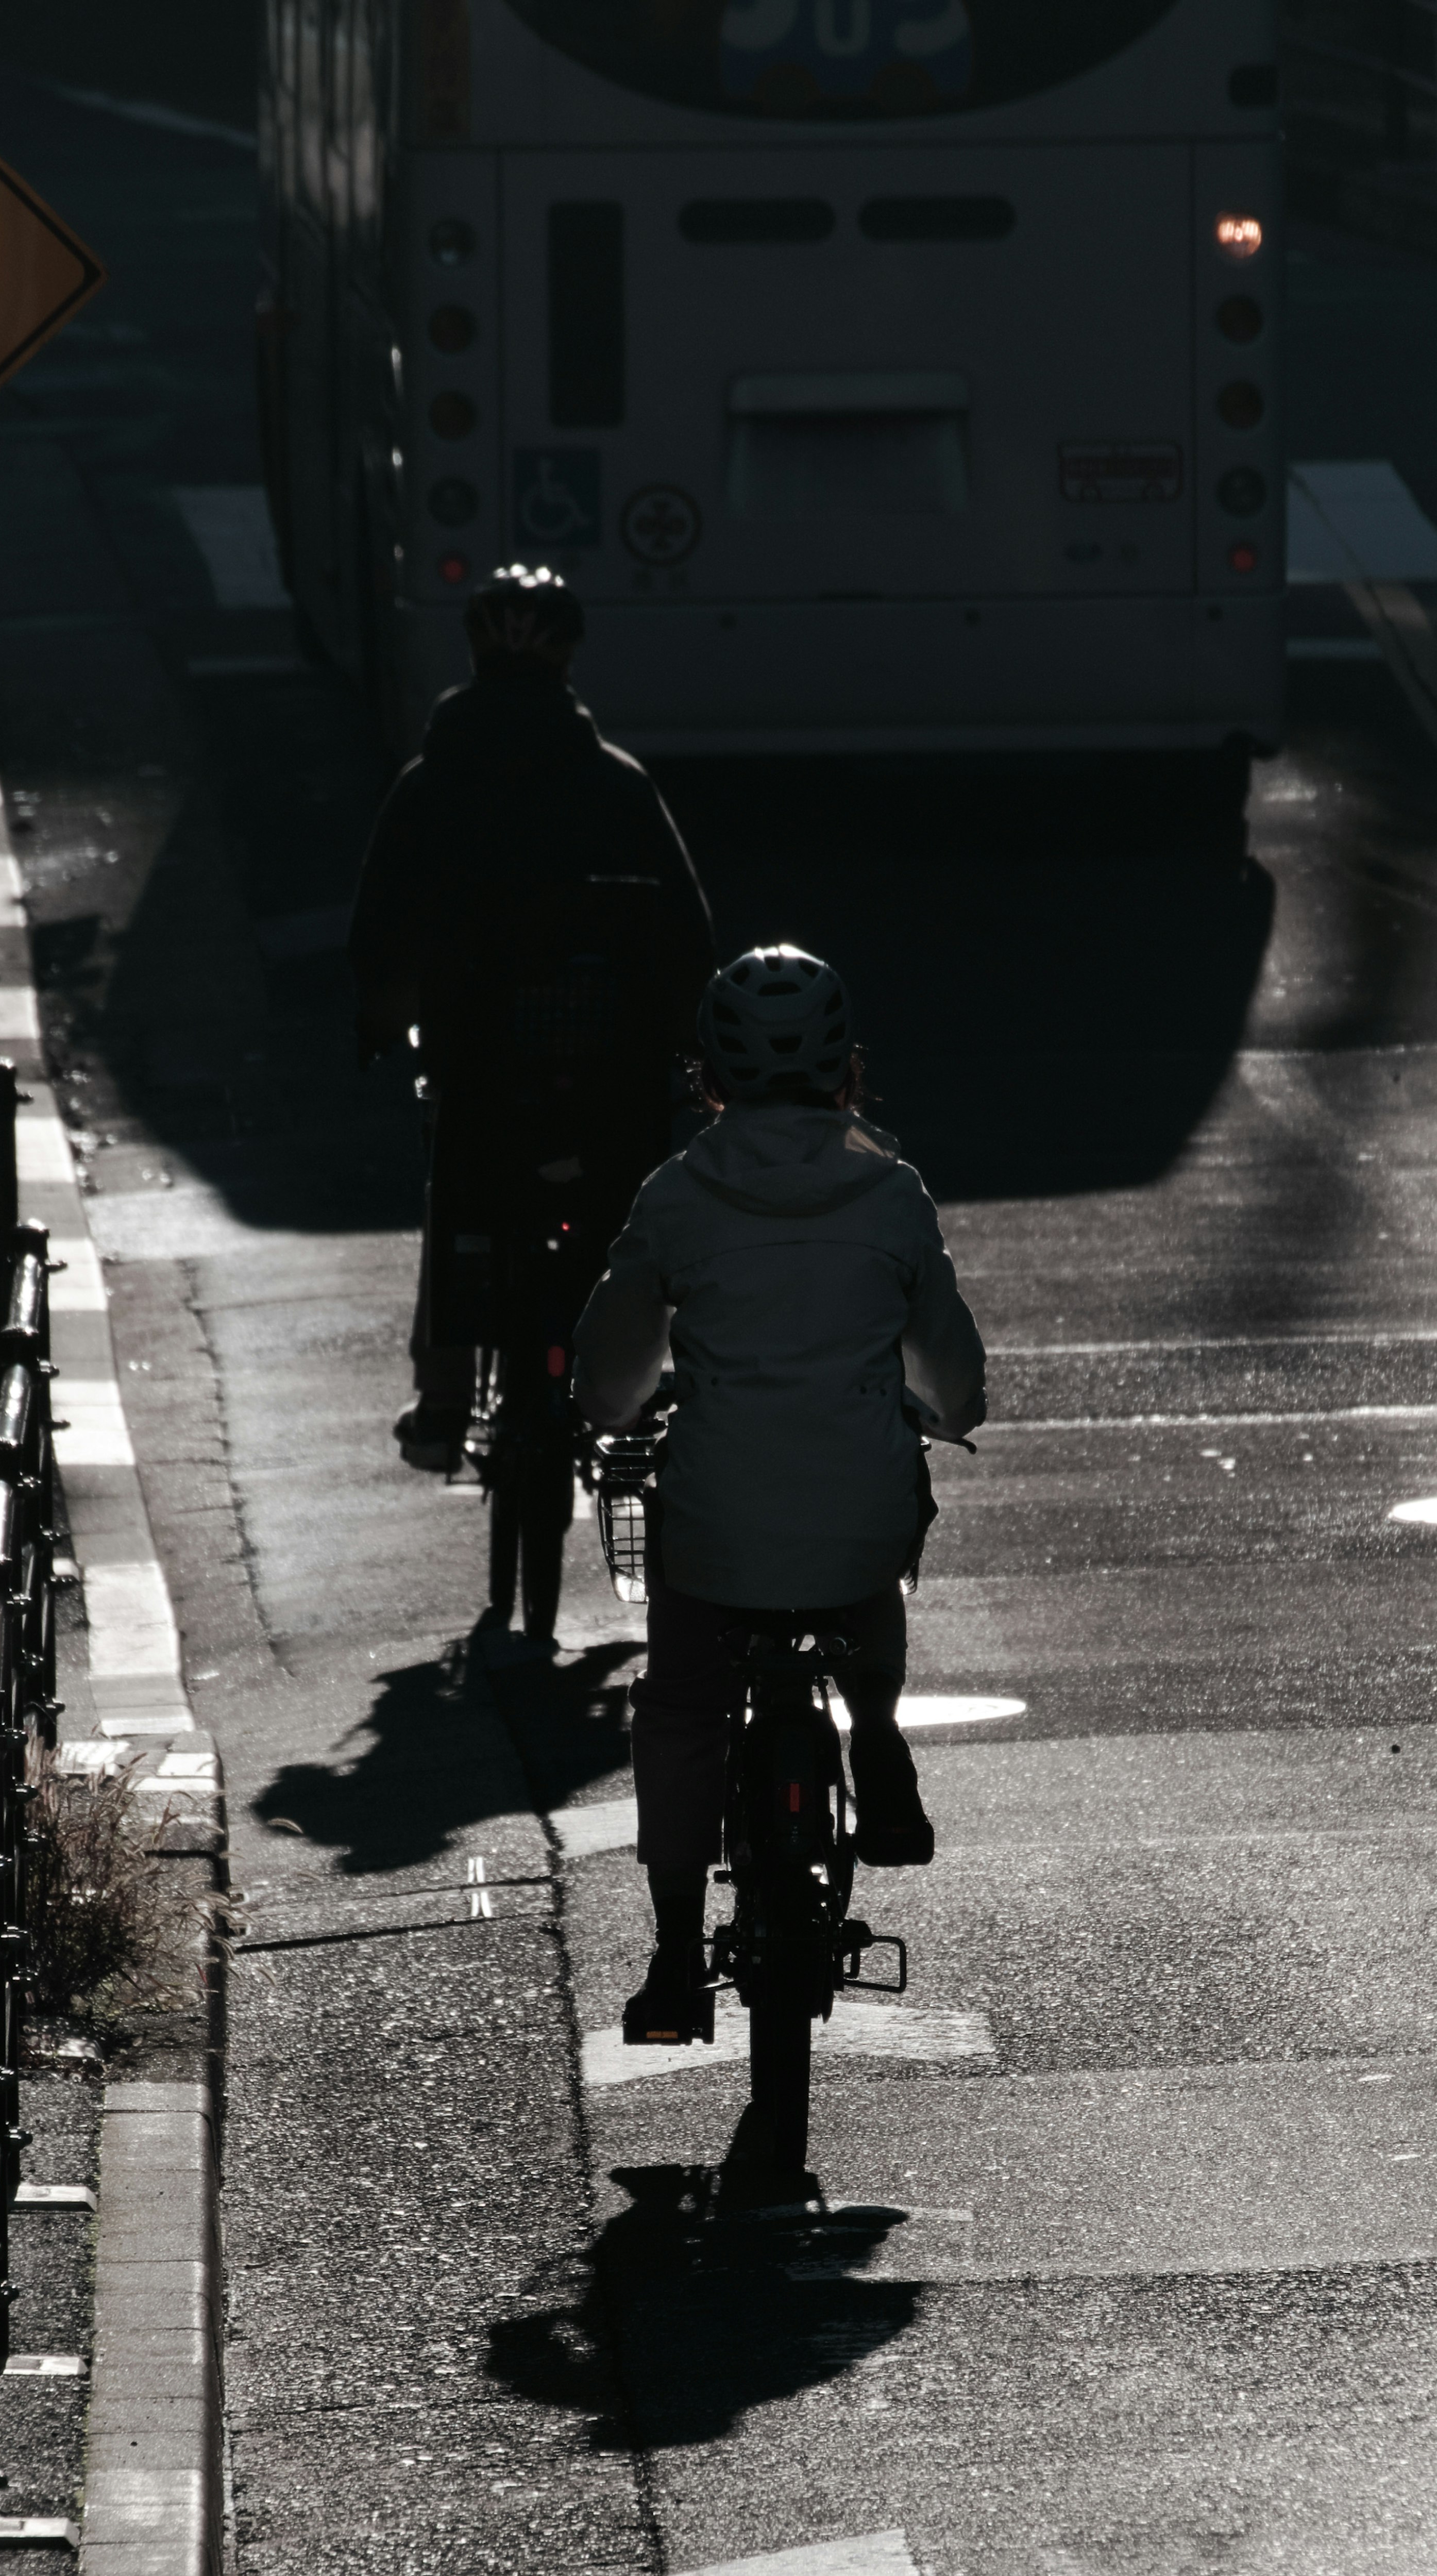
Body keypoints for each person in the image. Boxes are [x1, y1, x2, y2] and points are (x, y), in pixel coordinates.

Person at [570, 944, 987, 2042]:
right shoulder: (894, 1195)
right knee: (877, 1509)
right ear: (848, 1069)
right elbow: (950, 1376)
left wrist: (623, 1401)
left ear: (708, 1075)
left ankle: (672, 1959)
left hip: (717, 1526)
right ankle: (879, 1727)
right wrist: (943, 1412)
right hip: (856, 1527)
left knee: (680, 1712)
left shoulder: (677, 1198)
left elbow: (611, 1382)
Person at [349, 565, 714, 1481]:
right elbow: (685, 931)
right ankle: (635, 1385)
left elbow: (379, 925)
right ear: (569, 663)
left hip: (477, 1063)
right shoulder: (617, 786)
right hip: (606, 1067)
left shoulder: (430, 785)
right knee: (629, 1217)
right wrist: (697, 1048)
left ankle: (443, 1402)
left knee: (458, 1197)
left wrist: (381, 1018)